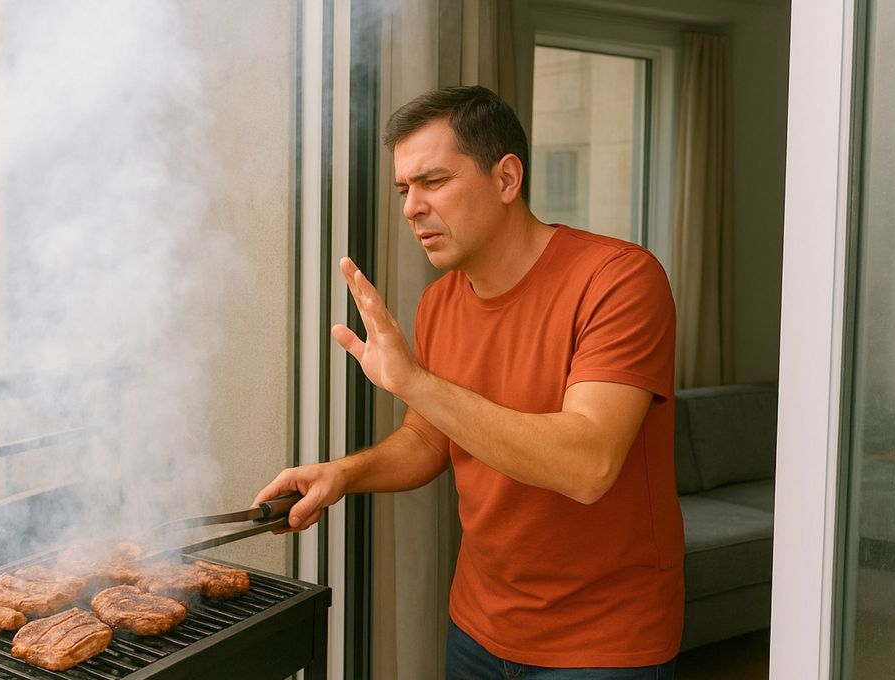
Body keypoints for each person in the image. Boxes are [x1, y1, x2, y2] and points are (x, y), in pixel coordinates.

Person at [254, 85, 683, 679]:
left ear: (506, 179)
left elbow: (589, 466)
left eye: (433, 182)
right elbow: (430, 441)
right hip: (478, 628)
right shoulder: (440, 302)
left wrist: (412, 381)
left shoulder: (618, 280)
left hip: (603, 642)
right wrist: (342, 474)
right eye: (404, 189)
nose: (410, 208)